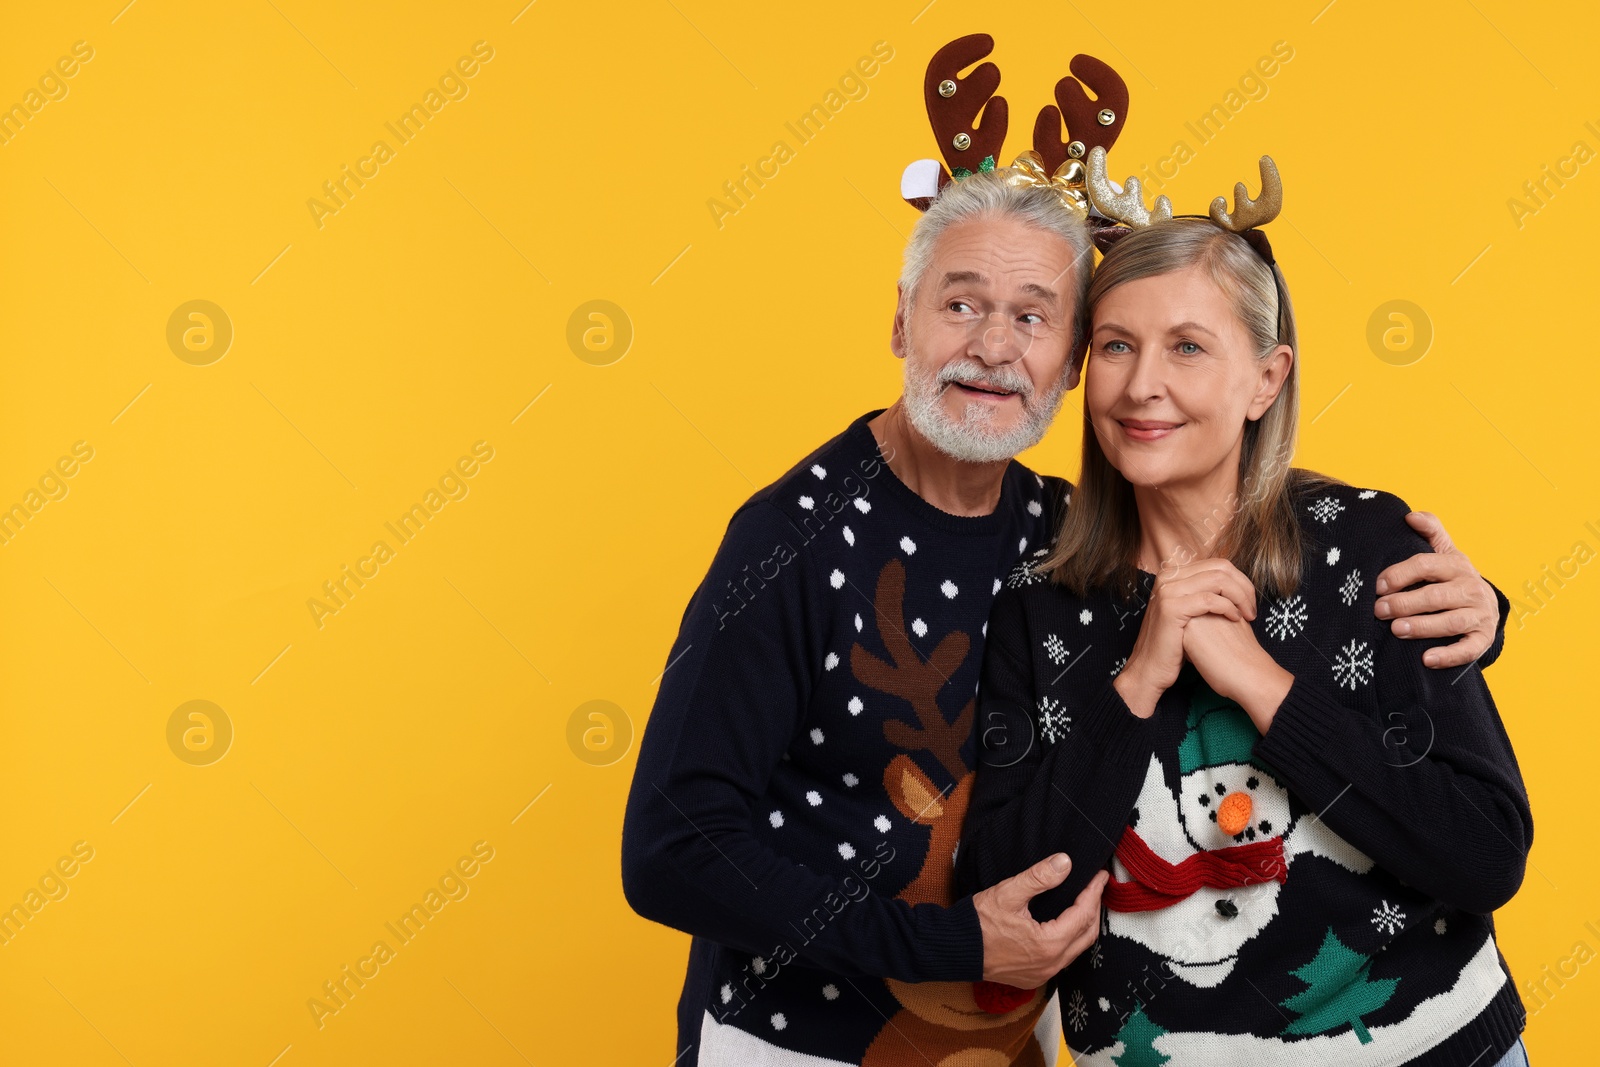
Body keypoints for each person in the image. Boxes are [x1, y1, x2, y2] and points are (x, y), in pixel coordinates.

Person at [623, 36, 1512, 1067]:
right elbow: (672, 847)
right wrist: (950, 940)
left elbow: (1289, 556)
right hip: (797, 1040)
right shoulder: (796, 536)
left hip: (1014, 1042)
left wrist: (1475, 607)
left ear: (1065, 358)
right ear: (900, 322)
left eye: (1035, 317)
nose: (995, 347)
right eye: (960, 304)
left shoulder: (1057, 533)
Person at [954, 153, 1531, 1066]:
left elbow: (1485, 855)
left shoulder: (1367, 549)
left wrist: (1264, 686)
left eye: (1188, 345)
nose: (1143, 385)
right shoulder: (1041, 605)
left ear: (1266, 379)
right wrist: (1137, 682)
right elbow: (1007, 901)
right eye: (1115, 345)